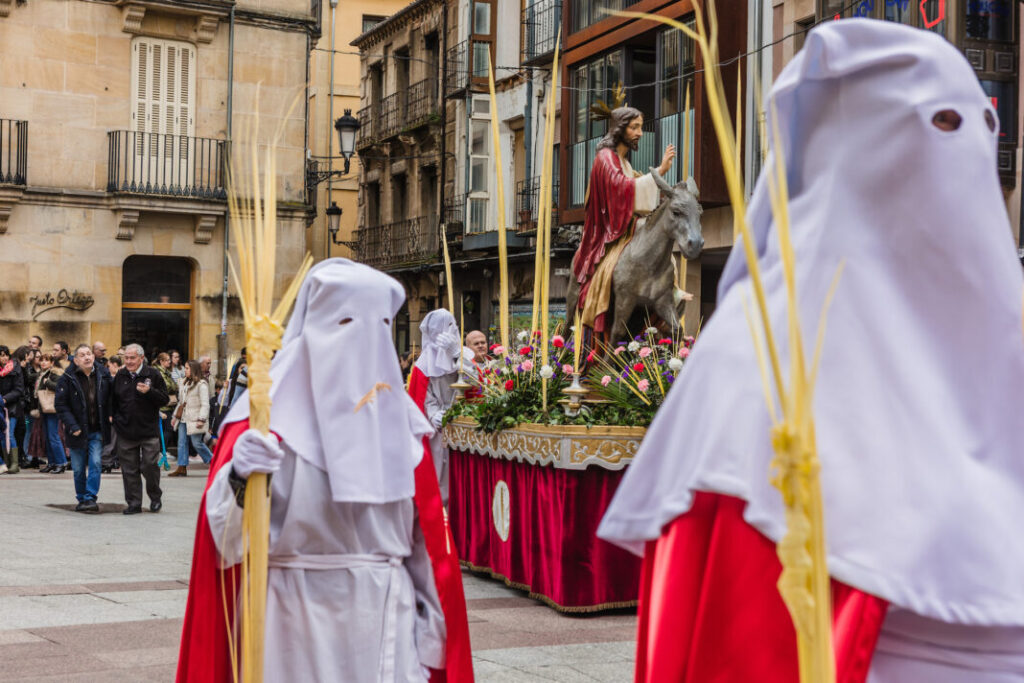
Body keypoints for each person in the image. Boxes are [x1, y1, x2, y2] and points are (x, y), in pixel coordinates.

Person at [598, 19, 1024, 682]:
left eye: (979, 127)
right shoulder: (755, 363)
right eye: (940, 126)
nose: (961, 161)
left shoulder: (999, 348)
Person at [176, 258, 473, 682]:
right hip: (292, 620)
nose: (362, 341)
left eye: (379, 325)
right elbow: (226, 546)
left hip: (386, 616)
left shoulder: (403, 428)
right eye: (347, 321)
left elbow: (427, 550)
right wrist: (238, 479)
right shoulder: (262, 420)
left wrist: (434, 645)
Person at [572, 106, 675, 343]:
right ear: (620, 128)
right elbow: (620, 188)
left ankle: (670, 292)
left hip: (629, 225)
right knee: (613, 268)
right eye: (634, 127)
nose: (640, 132)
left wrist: (657, 175)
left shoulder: (622, 160)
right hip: (611, 231)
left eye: (640, 126)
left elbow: (633, 183)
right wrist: (658, 171)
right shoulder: (606, 158)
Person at [408, 310, 462, 505]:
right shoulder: (423, 365)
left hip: (462, 423)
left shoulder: (464, 355)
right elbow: (424, 396)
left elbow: (475, 383)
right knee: (438, 473)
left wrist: (457, 355)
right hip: (437, 428)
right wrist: (433, 414)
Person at [110, 343, 168, 514]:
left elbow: (164, 399)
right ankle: (134, 503)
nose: (128, 361)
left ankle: (155, 496)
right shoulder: (121, 375)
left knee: (149, 466)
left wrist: (149, 392)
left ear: (141, 358)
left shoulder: (153, 374)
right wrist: (114, 417)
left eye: (132, 358)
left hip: (148, 430)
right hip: (126, 430)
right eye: (126, 358)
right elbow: (113, 400)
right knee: (129, 469)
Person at [54, 344, 111, 513]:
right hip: (77, 430)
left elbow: (112, 398)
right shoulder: (67, 378)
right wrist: (72, 425)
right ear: (76, 360)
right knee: (78, 468)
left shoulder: (104, 374)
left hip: (97, 429)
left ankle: (90, 498)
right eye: (82, 355)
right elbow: (61, 405)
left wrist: (111, 414)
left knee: (95, 462)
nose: (87, 357)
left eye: (89, 354)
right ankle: (81, 498)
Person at [168, 360, 213, 477]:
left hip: (195, 418)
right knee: (181, 442)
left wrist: (202, 418)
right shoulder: (184, 383)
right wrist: (174, 417)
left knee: (197, 443)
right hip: (183, 417)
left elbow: (205, 404)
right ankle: (181, 467)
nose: (185, 370)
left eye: (187, 368)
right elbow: (181, 402)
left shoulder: (201, 384)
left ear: (193, 370)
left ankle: (213, 462)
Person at [35, 353, 66, 474]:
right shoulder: (41, 374)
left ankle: (61, 462)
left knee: (53, 436)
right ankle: (52, 463)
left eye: (46, 360)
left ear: (52, 363)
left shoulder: (54, 373)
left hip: (53, 408)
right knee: (48, 437)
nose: (43, 363)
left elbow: (60, 387)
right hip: (44, 408)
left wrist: (47, 382)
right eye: (41, 360)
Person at [0, 345, 25, 474]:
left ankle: (15, 463)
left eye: (6, 355)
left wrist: (4, 399)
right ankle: (6, 462)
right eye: (1, 355)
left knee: (9, 434)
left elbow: (19, 389)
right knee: (2, 435)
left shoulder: (15, 369)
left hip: (12, 406)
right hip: (0, 406)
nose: (4, 358)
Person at [13, 346, 38, 469]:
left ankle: (21, 456)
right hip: (17, 404)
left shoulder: (25, 366)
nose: (31, 359)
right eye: (30, 356)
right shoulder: (16, 366)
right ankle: (17, 458)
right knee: (19, 430)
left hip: (23, 404)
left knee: (22, 430)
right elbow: (23, 383)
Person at [100, 355, 123, 473]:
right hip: (116, 413)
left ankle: (107, 461)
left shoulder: (115, 379)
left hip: (117, 413)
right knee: (113, 439)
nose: (107, 368)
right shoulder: (114, 378)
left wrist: (110, 413)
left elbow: (111, 398)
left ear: (115, 365)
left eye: (109, 366)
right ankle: (108, 461)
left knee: (113, 439)